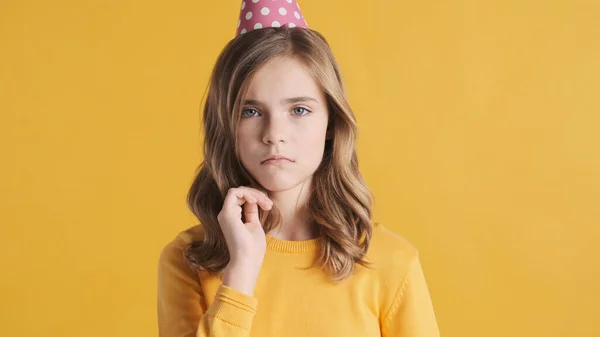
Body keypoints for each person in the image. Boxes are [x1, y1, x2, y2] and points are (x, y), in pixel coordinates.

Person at [157, 1, 440, 336]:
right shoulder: (188, 261)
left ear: (331, 123)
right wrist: (241, 274)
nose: (274, 135)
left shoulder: (391, 262)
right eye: (250, 111)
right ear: (225, 125)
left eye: (299, 110)